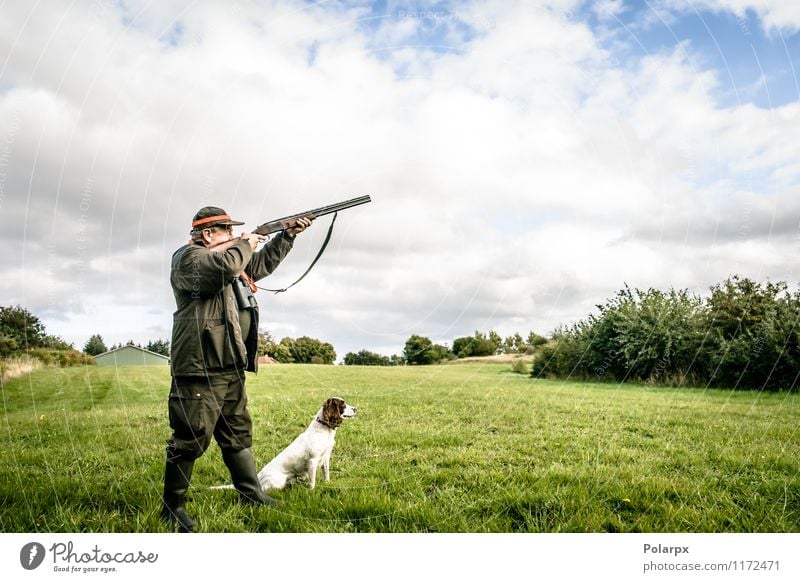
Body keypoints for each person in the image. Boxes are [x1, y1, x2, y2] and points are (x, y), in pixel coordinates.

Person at [160, 205, 312, 532]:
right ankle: (172, 507)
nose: (231, 235)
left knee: (237, 434)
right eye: (226, 231)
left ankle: (251, 494)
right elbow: (227, 267)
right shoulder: (189, 259)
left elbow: (256, 266)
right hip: (200, 367)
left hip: (230, 365)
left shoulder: (229, 259)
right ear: (208, 234)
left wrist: (285, 236)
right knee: (190, 436)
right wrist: (246, 241)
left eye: (233, 231)